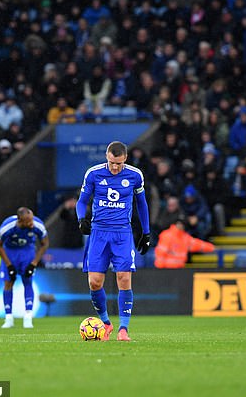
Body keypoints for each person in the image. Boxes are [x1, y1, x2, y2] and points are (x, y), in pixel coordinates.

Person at [76, 141, 151, 341]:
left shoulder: (135, 175)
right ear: (107, 157)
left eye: (118, 163)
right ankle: (106, 324)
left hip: (122, 234)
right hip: (98, 232)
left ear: (125, 158)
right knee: (94, 282)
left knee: (124, 279)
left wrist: (146, 232)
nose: (114, 167)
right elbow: (82, 201)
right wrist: (81, 219)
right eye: (111, 163)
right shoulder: (93, 173)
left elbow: (142, 204)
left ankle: (123, 329)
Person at [0, 207, 49, 329]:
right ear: (20, 221)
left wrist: (34, 262)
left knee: (28, 281)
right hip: (10, 252)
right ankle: (8, 317)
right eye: (28, 221)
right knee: (8, 283)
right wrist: (8, 264)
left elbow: (45, 243)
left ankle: (28, 317)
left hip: (27, 252)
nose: (31, 223)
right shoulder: (7, 226)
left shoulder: (37, 225)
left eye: (32, 220)